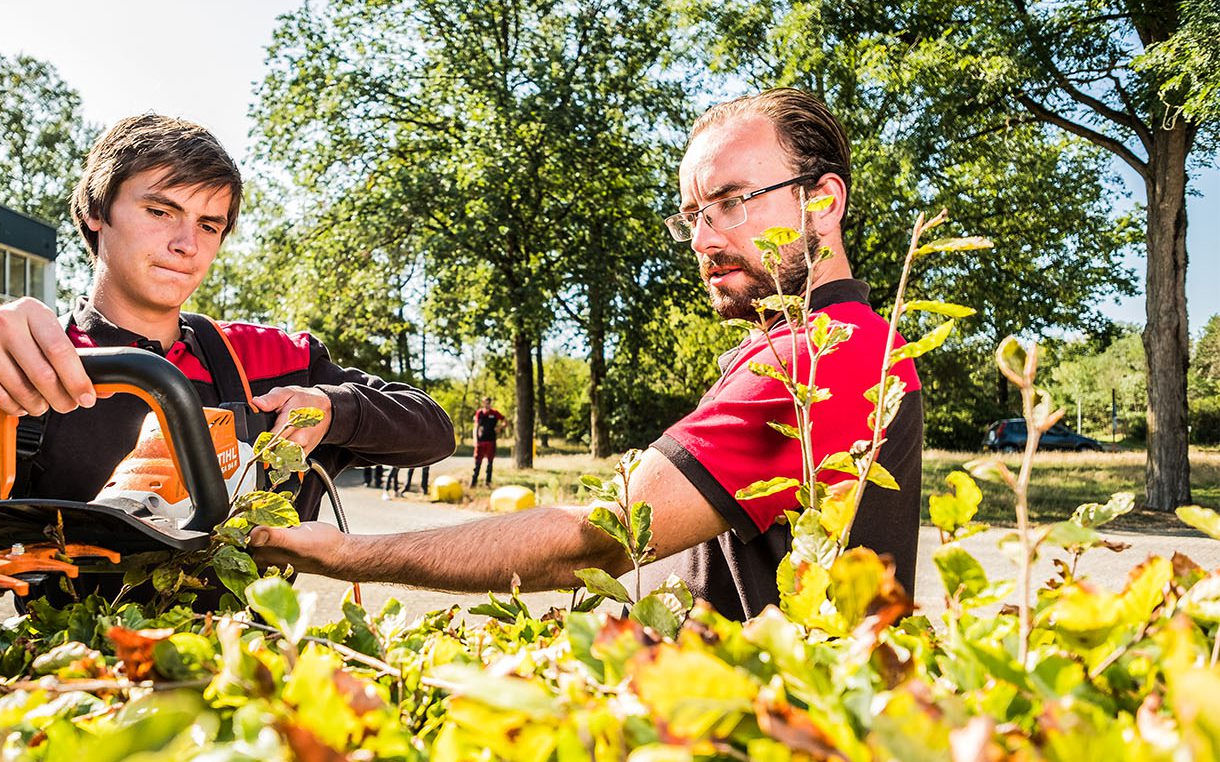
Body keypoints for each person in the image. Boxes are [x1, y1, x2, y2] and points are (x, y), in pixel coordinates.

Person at [250, 88, 924, 620]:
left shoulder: (827, 355)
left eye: (731, 202)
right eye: (692, 215)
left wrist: (345, 553)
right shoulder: (812, 345)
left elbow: (598, 539)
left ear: (822, 201)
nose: (702, 239)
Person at [0, 113, 455, 571]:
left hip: (249, 681)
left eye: (211, 225)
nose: (188, 244)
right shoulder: (22, 373)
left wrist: (336, 408)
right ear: (96, 213)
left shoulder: (266, 358)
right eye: (161, 211)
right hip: (74, 687)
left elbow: (432, 432)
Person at [470, 396, 506, 487]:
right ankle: (474, 482)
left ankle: (488, 482)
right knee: (477, 462)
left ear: (490, 403)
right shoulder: (479, 413)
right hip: (480, 441)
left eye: (488, 403)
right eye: (485, 403)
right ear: (483, 403)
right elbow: (476, 426)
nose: (487, 404)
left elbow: (505, 421)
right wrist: (475, 439)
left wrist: (499, 428)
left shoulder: (495, 413)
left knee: (490, 462)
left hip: (491, 440)